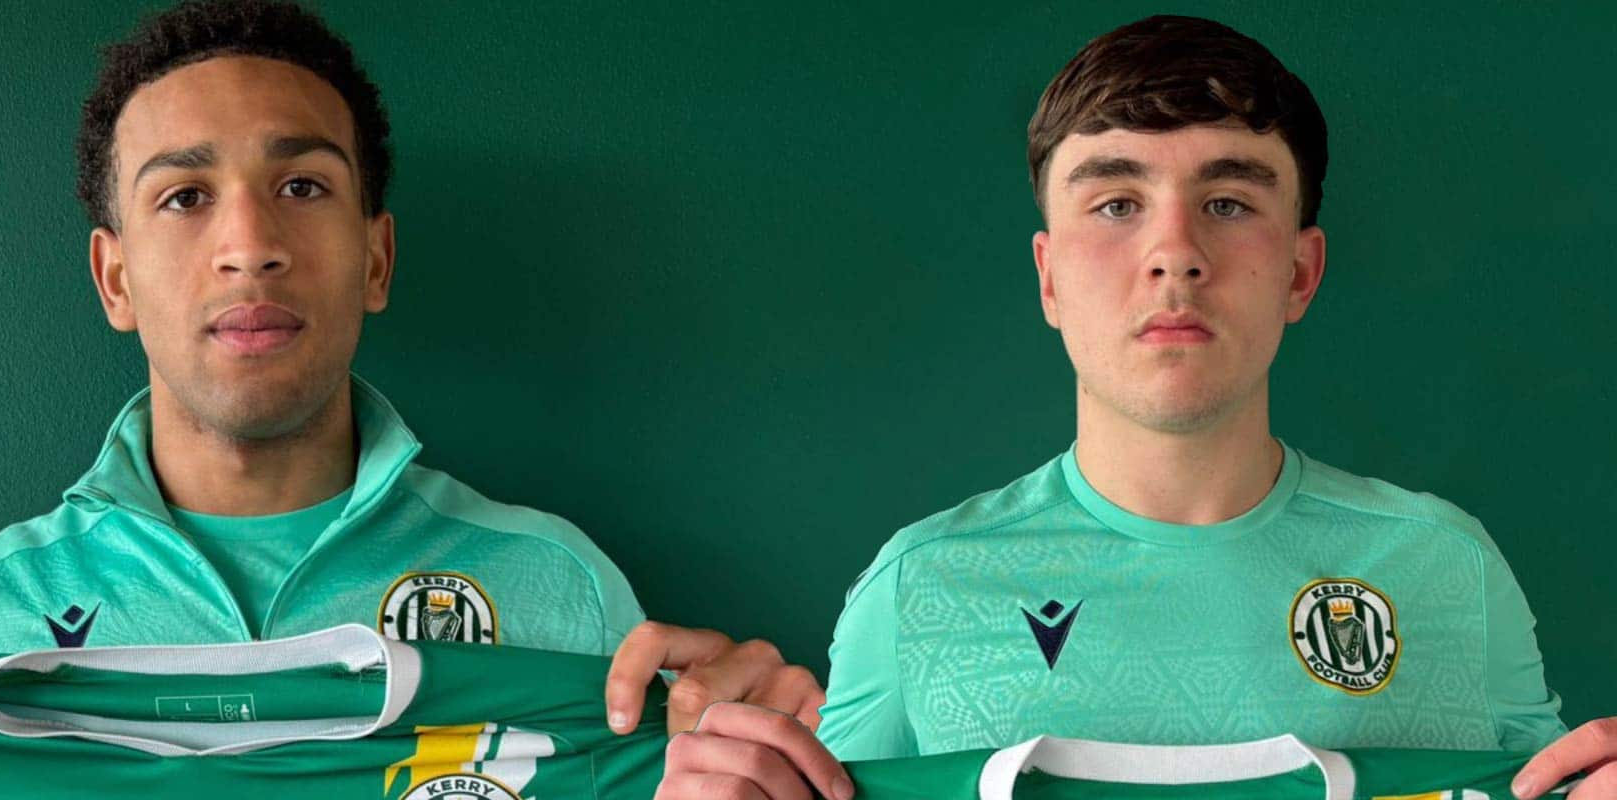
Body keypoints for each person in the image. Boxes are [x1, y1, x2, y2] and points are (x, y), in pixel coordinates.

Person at [0, 0, 821, 757]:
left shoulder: (563, 593)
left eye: (302, 185)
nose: (249, 245)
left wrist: (755, 758)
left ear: (376, 259)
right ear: (114, 278)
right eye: (184, 196)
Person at [655, 15, 1617, 800]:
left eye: (1228, 202)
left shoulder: (1446, 567)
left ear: (1301, 271)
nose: (1175, 254)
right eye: (1116, 202)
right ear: (1049, 278)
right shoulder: (919, 588)